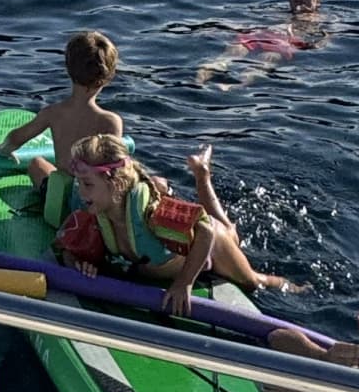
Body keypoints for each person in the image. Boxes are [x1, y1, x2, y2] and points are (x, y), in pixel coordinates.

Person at [59, 133, 308, 316]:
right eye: (80, 183)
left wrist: (184, 283)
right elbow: (69, 251)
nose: (81, 192)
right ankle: (201, 172)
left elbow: (205, 230)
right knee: (226, 226)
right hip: (183, 246)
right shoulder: (97, 211)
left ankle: (297, 287)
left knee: (253, 281)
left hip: (212, 247)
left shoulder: (150, 214)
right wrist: (81, 265)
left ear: (116, 184)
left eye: (88, 184)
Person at [0, 30, 128, 227]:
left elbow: (17, 138)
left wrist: (3, 150)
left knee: (37, 164)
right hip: (95, 204)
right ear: (107, 77)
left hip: (64, 200)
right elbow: (116, 169)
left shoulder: (53, 113)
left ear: (68, 69)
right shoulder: (111, 122)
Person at [195, 0, 325, 90]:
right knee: (236, 49)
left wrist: (314, 39)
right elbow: (255, 23)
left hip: (285, 43)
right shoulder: (278, 13)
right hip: (263, 35)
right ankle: (200, 79)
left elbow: (327, 37)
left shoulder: (322, 18)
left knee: (268, 57)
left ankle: (234, 85)